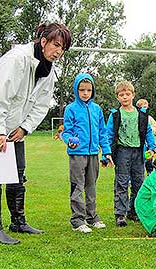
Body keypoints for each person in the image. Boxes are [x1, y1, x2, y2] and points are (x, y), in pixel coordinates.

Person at [0, 23, 72, 244]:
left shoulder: (49, 70)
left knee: (17, 171)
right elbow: (0, 97)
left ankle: (18, 221)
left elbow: (41, 105)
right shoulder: (17, 59)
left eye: (62, 49)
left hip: (15, 124)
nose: (58, 52)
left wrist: (25, 127)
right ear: (43, 41)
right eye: (56, 45)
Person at [62, 73, 114, 233]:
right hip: (77, 154)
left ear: (93, 91)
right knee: (77, 186)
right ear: (76, 90)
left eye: (88, 90)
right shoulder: (70, 109)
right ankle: (77, 220)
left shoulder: (97, 109)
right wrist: (70, 139)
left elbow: (102, 132)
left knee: (91, 186)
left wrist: (106, 152)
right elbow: (66, 132)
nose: (85, 93)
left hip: (93, 154)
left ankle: (92, 217)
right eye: (82, 90)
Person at [106, 81, 156, 227]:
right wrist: (107, 153)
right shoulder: (115, 115)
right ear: (117, 97)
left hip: (138, 153)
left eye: (127, 94)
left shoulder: (141, 115)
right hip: (122, 152)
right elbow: (109, 134)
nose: (125, 97)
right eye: (121, 95)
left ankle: (134, 211)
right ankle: (120, 214)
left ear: (133, 95)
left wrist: (152, 148)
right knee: (121, 183)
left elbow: (148, 132)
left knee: (138, 183)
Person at [136, 98, 156, 174]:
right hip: (139, 144)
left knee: (149, 160)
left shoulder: (149, 118)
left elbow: (155, 128)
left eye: (146, 107)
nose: (145, 109)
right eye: (143, 107)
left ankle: (150, 172)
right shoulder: (135, 116)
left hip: (148, 144)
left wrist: (150, 131)